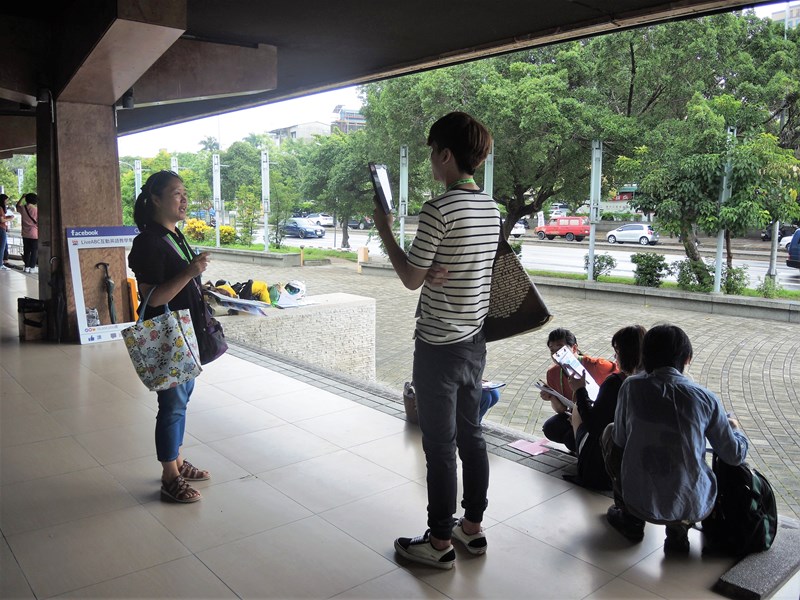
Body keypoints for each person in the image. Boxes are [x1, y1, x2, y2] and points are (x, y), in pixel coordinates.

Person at [375, 112, 498, 569]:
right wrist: (433, 271)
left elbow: (410, 277)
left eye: (432, 153)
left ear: (446, 155)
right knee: (473, 435)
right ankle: (472, 529)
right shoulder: (491, 207)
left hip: (437, 346)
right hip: (474, 341)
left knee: (440, 446)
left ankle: (440, 543)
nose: (431, 161)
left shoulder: (438, 209)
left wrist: (385, 226)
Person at [602, 324, 748, 554]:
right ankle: (679, 530)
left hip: (637, 497)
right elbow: (734, 455)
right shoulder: (705, 399)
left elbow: (619, 440)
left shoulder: (631, 387)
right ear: (687, 358)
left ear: (645, 356)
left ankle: (630, 517)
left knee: (610, 432)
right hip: (692, 503)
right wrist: (736, 430)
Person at [127, 170, 212, 504]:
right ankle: (169, 476)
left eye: (184, 192)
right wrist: (191, 271)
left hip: (184, 330)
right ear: (156, 199)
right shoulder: (147, 242)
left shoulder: (174, 234)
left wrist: (196, 281)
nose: (184, 199)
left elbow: (178, 282)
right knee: (172, 403)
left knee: (183, 397)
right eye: (177, 193)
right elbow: (154, 297)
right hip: (165, 333)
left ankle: (176, 459)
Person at [566, 325, 646, 489]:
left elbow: (594, 426)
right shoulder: (653, 380)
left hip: (603, 469)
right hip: (639, 461)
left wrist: (580, 389)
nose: (615, 356)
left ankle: (582, 459)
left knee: (576, 410)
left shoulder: (617, 382)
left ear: (623, 353)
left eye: (616, 351)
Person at [540, 328, 616, 452]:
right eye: (552, 350)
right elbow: (561, 410)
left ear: (574, 348)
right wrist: (551, 397)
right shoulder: (553, 373)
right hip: (573, 416)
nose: (556, 355)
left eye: (560, 349)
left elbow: (620, 375)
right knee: (550, 428)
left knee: (571, 439)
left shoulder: (597, 365)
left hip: (597, 416)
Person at [16, 193, 38, 273]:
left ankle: (26, 267)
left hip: (25, 233)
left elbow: (17, 206)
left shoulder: (23, 208)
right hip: (34, 234)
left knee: (26, 251)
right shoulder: (36, 210)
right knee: (34, 251)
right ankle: (32, 268)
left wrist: (22, 197)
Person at [0, 194, 15, 270]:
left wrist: (7, 217)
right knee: (2, 247)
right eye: (6, 200)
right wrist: (10, 219)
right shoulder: (0, 208)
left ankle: (2, 262)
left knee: (4, 246)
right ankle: (0, 264)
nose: (7, 202)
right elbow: (1, 220)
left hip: (2, 228)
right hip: (1, 228)